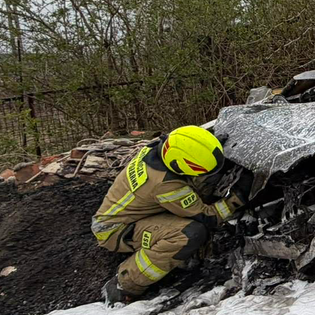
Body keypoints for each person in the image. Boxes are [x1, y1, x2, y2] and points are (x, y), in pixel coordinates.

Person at [91, 125, 252, 304]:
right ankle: (126, 283)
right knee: (189, 233)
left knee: (201, 186)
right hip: (115, 230)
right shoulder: (165, 185)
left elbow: (188, 142)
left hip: (136, 212)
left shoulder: (161, 148)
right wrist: (237, 198)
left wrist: (210, 149)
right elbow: (208, 216)